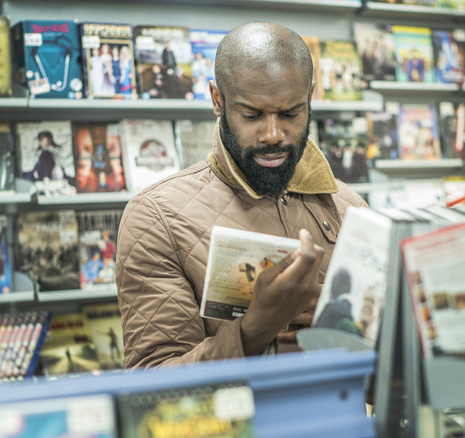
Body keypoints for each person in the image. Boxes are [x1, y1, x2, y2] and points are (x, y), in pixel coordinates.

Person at [115, 22, 367, 369]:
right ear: (218, 100)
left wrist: (359, 331)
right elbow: (152, 384)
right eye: (252, 115)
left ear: (309, 97)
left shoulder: (351, 208)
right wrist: (253, 329)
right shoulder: (157, 216)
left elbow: (388, 378)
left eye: (291, 113)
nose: (273, 134)